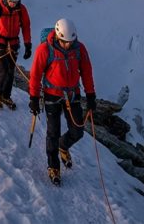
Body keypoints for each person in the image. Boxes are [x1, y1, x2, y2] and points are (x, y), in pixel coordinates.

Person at [28, 18, 96, 186]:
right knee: (53, 132)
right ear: (58, 36)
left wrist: (90, 95)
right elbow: (35, 75)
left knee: (77, 131)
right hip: (52, 95)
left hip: (72, 95)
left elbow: (86, 72)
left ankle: (63, 146)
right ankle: (53, 166)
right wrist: (34, 98)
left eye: (70, 42)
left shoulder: (79, 49)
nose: (67, 45)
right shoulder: (45, 49)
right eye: (64, 42)